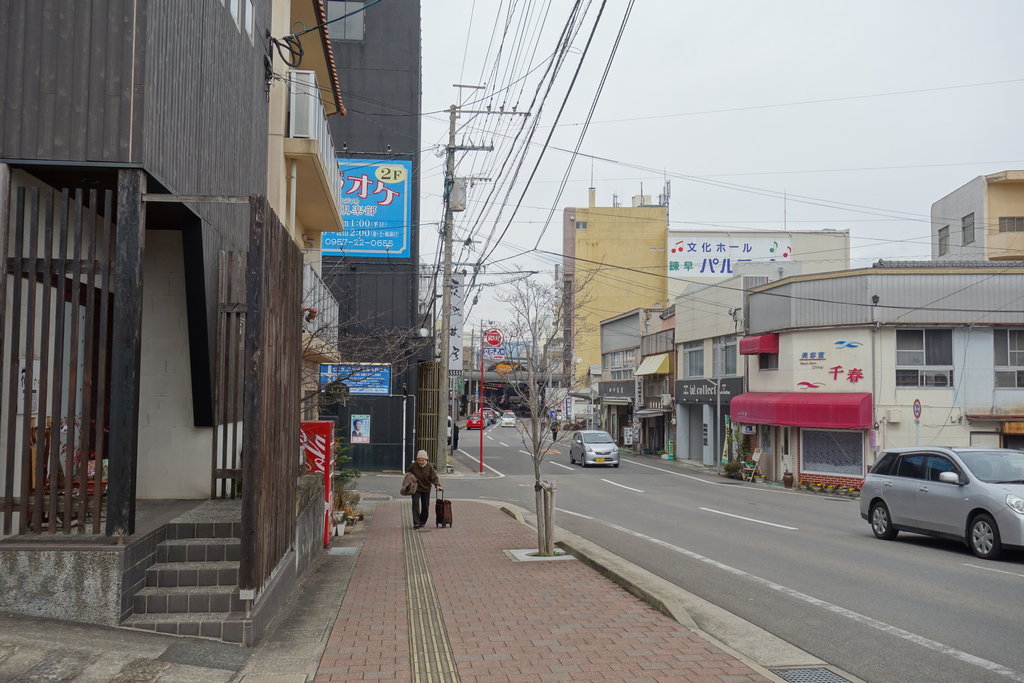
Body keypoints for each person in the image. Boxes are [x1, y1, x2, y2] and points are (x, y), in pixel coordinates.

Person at [408, 450, 442, 529]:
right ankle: (416, 522)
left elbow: (434, 477)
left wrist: (437, 485)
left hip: (426, 488)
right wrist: (410, 480)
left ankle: (422, 521)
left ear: (426, 460)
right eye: (419, 460)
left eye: (423, 460)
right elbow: (409, 473)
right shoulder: (413, 465)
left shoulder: (429, 467)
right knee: (415, 504)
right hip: (415, 488)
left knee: (425, 506)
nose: (421, 462)